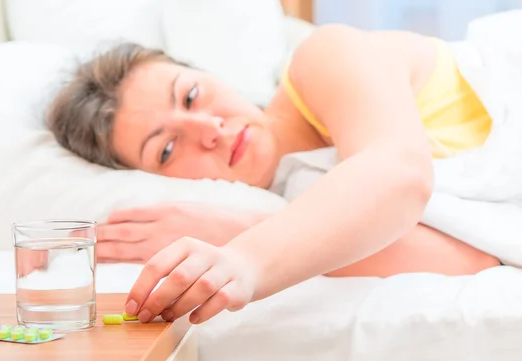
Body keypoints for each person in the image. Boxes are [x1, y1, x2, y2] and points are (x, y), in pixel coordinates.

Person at [47, 23, 500, 324]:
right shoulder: (302, 195)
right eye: (166, 148)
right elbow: (469, 258)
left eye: (190, 96)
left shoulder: (322, 58)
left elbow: (399, 173)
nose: (208, 130)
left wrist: (242, 251)